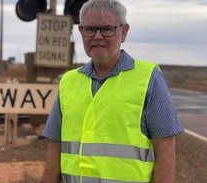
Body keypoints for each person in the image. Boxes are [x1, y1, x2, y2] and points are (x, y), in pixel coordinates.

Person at [42, 0, 184, 182]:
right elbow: (55, 146)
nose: (98, 36)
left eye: (107, 29)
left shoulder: (149, 78)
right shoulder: (68, 82)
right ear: (81, 31)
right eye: (90, 29)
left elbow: (165, 149)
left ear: (123, 32)